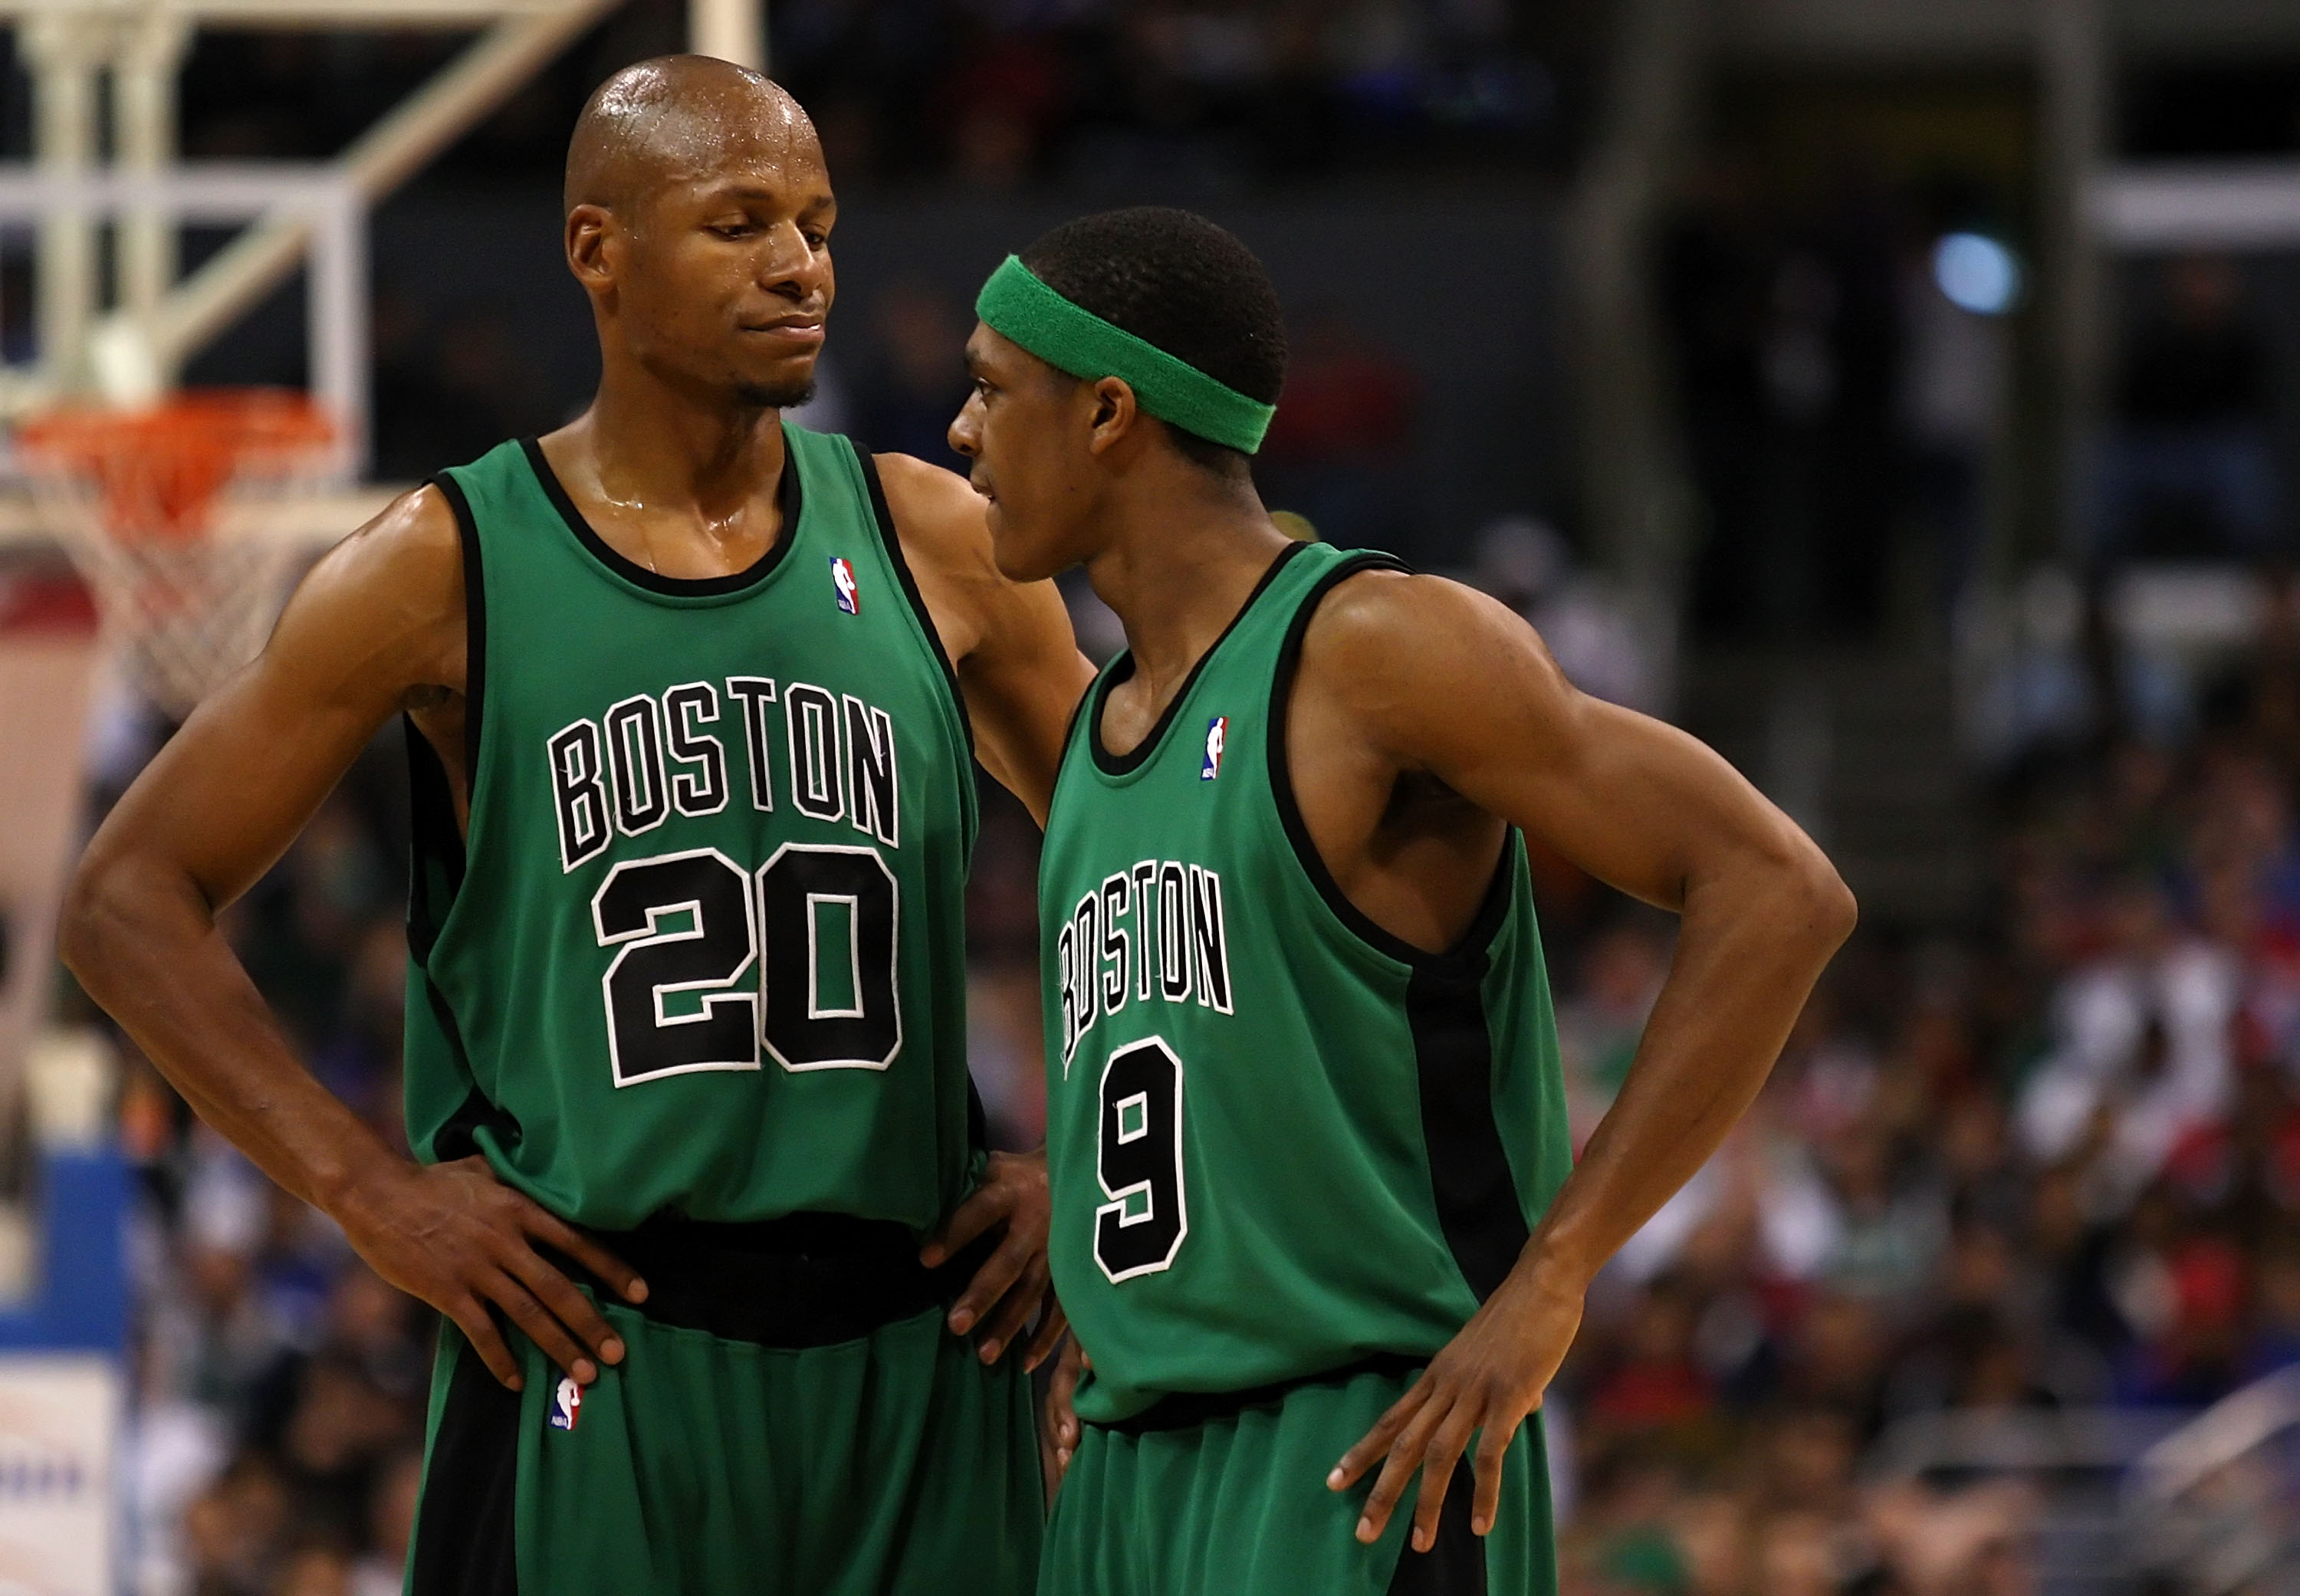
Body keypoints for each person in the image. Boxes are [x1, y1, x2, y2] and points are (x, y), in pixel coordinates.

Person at [63, 57, 1092, 1595]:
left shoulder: (933, 538)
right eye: (739, 222)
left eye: (816, 223)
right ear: (598, 250)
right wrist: (367, 1193)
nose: (801, 263)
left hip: (924, 1346)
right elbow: (125, 899)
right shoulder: (441, 561)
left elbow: (1161, 867)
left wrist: (1078, 1168)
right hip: (604, 1346)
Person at [945, 207, 1855, 1594]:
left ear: (1110, 412)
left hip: (1361, 1453)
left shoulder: (1371, 648)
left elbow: (1780, 889)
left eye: (995, 390)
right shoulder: (1092, 737)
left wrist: (1559, 1270)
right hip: (1126, 1464)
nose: (964, 431)